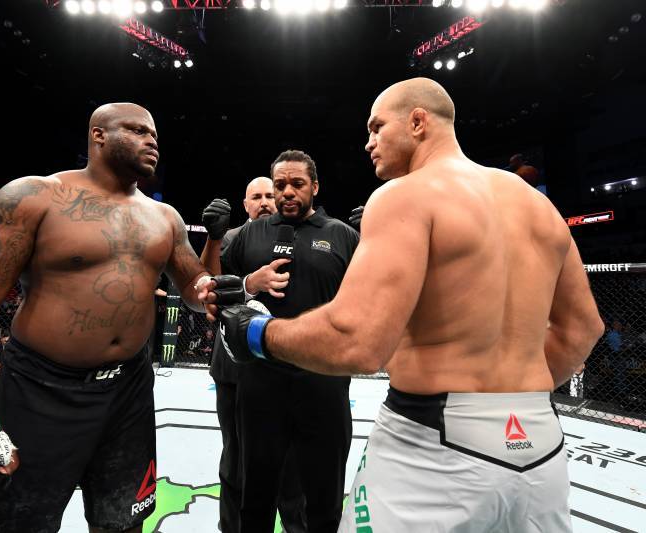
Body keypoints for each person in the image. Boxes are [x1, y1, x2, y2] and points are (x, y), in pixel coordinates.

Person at [210, 78, 605, 532]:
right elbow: (583, 329)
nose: (369, 142)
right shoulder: (538, 206)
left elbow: (358, 342)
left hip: (432, 443)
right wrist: (506, 399)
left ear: (418, 122)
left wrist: (254, 332)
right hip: (540, 444)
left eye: (377, 127)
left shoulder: (405, 194)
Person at [0, 103, 212, 533]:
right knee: (9, 525)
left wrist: (214, 289)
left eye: (154, 134)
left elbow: (194, 286)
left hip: (128, 390)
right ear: (98, 135)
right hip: (40, 389)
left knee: (124, 521)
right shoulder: (34, 196)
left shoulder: (165, 217)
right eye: (137, 130)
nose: (151, 140)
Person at [211, 151, 360, 532]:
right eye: (280, 185)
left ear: (315, 187)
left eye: (297, 184)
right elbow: (212, 289)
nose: (287, 192)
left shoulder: (341, 235)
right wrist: (249, 283)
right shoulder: (250, 233)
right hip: (260, 383)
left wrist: (376, 241)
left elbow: (368, 299)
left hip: (323, 382)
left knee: (323, 499)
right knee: (255, 498)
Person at [201, 176, 307, 533]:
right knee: (235, 459)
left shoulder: (301, 238)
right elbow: (207, 286)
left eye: (268, 195)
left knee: (292, 464)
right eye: (255, 197)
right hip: (234, 368)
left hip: (287, 367)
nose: (263, 202)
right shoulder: (231, 238)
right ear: (245, 204)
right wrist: (214, 238)